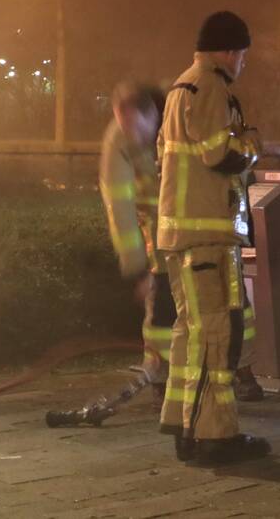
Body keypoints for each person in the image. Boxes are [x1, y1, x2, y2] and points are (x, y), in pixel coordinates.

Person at [157, 11, 270, 465]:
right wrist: (252, 142)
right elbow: (219, 154)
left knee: (190, 335)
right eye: (242, 54)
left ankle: (184, 427)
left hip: (181, 233)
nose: (243, 63)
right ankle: (215, 436)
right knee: (216, 336)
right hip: (205, 234)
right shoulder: (210, 86)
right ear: (229, 51)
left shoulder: (180, 87)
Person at [99, 83, 174, 409]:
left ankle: (239, 367)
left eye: (135, 126)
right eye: (123, 125)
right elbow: (120, 208)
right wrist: (138, 270)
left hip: (197, 225)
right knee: (162, 305)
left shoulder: (180, 116)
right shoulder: (118, 141)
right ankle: (160, 378)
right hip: (158, 233)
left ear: (153, 115)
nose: (130, 135)